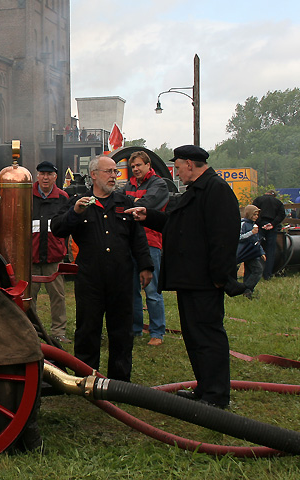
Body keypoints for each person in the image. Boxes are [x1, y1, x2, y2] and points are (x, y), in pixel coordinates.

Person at [127, 145, 239, 408]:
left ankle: (216, 395)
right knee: (194, 336)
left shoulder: (216, 190)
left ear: (189, 164)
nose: (176, 172)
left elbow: (224, 237)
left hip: (205, 281)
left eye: (177, 166)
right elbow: (178, 226)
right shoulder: (196, 192)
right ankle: (205, 387)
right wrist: (148, 216)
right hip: (190, 279)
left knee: (208, 336)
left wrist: (220, 277)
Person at [51, 155, 152, 381]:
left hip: (121, 277)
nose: (114, 176)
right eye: (108, 171)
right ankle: (86, 378)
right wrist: (74, 213)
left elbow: (138, 238)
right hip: (90, 277)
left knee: (122, 331)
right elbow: (57, 228)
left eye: (115, 172)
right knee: (88, 329)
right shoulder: (80, 202)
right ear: (94, 175)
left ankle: (120, 381)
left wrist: (146, 265)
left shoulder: (124, 203)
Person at [124, 151, 169, 346]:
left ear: (149, 165)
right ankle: (135, 330)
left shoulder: (159, 184)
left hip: (151, 242)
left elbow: (147, 204)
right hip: (131, 242)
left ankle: (157, 332)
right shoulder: (129, 185)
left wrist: (132, 204)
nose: (135, 169)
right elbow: (122, 205)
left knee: (152, 289)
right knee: (132, 289)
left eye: (139, 165)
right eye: (133, 166)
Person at [31, 161, 71, 344]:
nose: (45, 177)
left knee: (57, 296)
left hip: (53, 256)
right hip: (31, 255)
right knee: (29, 296)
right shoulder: (27, 196)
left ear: (55, 177)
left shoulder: (63, 197)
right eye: (42, 174)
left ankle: (58, 331)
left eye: (49, 174)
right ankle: (30, 330)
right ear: (37, 176)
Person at [252, 189, 285, 280]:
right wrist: (272, 224)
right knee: (270, 251)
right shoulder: (278, 202)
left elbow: (253, 212)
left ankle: (255, 272)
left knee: (256, 248)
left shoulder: (258, 200)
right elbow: (282, 214)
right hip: (272, 227)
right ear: (274, 195)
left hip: (260, 227)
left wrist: (260, 223)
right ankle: (268, 274)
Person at [236, 205, 266, 298]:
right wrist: (251, 233)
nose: (256, 217)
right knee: (257, 270)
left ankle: (248, 293)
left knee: (249, 272)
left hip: (253, 251)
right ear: (249, 214)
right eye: (254, 214)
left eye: (257, 215)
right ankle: (246, 287)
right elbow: (239, 237)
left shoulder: (253, 224)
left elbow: (256, 240)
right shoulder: (243, 224)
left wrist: (262, 252)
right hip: (246, 251)